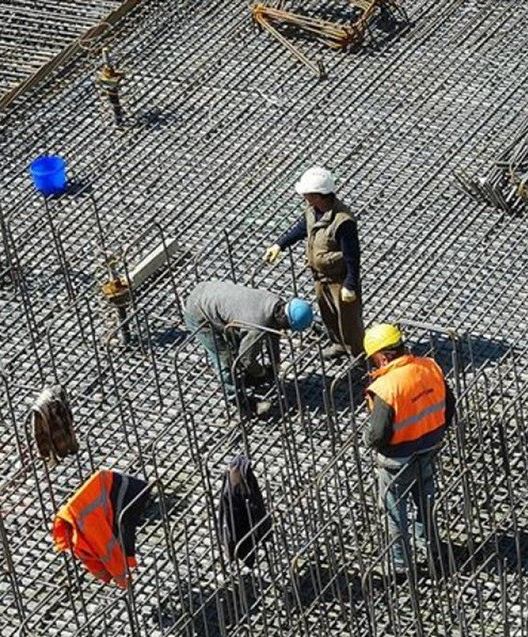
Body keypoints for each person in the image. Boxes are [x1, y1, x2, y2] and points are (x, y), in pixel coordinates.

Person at [361, 323, 456, 576]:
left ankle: (400, 564)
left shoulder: (386, 387)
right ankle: (432, 549)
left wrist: (367, 439)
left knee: (394, 509)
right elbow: (450, 406)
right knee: (426, 500)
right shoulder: (429, 367)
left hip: (397, 458)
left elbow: (378, 434)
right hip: (430, 446)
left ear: (381, 356)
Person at [263, 166, 364, 360]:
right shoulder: (313, 210)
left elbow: (352, 254)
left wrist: (350, 283)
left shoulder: (343, 220)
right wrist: (280, 245)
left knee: (349, 321)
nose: (305, 198)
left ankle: (357, 354)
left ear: (320, 195)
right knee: (328, 315)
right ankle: (338, 345)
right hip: (320, 276)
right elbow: (302, 229)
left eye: (308, 194)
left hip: (340, 279)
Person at [184, 280, 314, 418]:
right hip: (198, 312)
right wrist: (261, 373)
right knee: (226, 360)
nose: (286, 330)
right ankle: (240, 402)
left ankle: (245, 379)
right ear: (285, 319)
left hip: (209, 290)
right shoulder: (256, 327)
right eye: (288, 327)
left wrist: (275, 362)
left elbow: (273, 332)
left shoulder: (275, 303)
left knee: (238, 345)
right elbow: (246, 359)